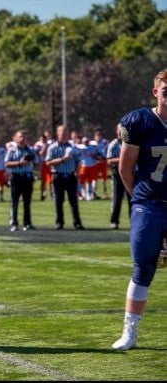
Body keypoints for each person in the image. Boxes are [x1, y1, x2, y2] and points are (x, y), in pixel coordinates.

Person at [111, 68, 167, 351]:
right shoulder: (140, 121)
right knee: (143, 265)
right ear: (155, 92)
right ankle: (129, 331)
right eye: (166, 91)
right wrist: (141, 201)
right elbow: (124, 168)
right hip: (150, 204)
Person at [45, 125, 85, 230]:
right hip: (58, 175)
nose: (64, 135)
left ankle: (77, 223)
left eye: (66, 133)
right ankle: (59, 222)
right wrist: (62, 159)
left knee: (73, 201)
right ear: (57, 134)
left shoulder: (72, 147)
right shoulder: (53, 147)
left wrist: (77, 173)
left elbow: (78, 161)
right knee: (59, 200)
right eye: (62, 132)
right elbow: (48, 162)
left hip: (71, 176)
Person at [4, 130, 38, 232]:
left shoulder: (30, 150)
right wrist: (19, 163)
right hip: (16, 177)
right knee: (14, 201)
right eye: (20, 137)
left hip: (27, 177)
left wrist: (32, 160)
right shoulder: (12, 150)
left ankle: (27, 223)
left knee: (27, 201)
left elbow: (37, 163)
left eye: (23, 137)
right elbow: (6, 163)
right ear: (15, 138)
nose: (22, 139)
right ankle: (14, 223)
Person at [107, 123, 131, 230]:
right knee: (117, 199)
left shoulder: (130, 142)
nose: (121, 131)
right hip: (117, 175)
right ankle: (114, 221)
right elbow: (109, 160)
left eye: (123, 129)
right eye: (119, 129)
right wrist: (122, 159)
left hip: (130, 173)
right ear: (116, 131)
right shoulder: (113, 144)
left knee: (132, 198)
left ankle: (133, 222)